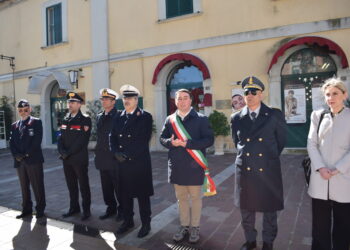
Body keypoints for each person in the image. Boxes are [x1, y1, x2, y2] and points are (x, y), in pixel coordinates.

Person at [231, 76, 287, 250]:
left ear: (261, 94)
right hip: (245, 168)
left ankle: (268, 241)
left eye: (254, 92)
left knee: (269, 209)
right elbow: (237, 142)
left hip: (267, 168)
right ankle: (250, 240)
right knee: (246, 209)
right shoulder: (236, 118)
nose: (249, 95)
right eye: (246, 92)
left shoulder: (274, 114)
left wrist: (267, 157)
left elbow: (281, 141)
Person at [160, 89, 214, 244]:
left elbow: (209, 140)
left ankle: (195, 227)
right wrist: (171, 142)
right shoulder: (170, 120)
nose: (182, 101)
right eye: (179, 99)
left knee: (196, 198)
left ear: (191, 101)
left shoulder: (201, 119)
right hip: (177, 166)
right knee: (181, 198)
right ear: (175, 101)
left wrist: (188, 144)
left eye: (185, 98)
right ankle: (184, 225)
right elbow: (162, 139)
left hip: (195, 165)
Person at [307, 78, 350, 250]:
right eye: (327, 94)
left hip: (344, 178)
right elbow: (311, 143)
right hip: (320, 178)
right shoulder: (318, 115)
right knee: (319, 226)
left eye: (335, 93)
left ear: (344, 95)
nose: (331, 98)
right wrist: (320, 167)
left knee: (343, 225)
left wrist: (338, 169)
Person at [109, 84, 154, 238]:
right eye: (124, 98)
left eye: (129, 98)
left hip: (138, 163)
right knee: (124, 194)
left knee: (142, 195)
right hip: (122, 162)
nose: (126, 100)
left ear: (136, 100)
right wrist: (115, 152)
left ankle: (146, 223)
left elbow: (143, 140)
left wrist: (126, 154)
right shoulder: (118, 116)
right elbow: (112, 137)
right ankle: (128, 221)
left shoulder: (145, 116)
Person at [57, 92, 92, 221]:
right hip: (66, 159)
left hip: (78, 158)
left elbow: (82, 140)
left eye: (72, 102)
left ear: (79, 104)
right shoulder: (65, 119)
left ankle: (86, 210)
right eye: (69, 102)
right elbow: (60, 137)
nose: (70, 104)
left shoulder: (85, 119)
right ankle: (74, 208)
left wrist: (68, 152)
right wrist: (61, 151)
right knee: (71, 185)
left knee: (83, 185)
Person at [9, 99, 46, 219]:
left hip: (33, 160)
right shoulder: (14, 125)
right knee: (24, 187)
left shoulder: (36, 122)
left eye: (25, 109)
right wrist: (16, 155)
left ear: (29, 109)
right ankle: (26, 209)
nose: (23, 112)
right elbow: (12, 142)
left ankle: (40, 210)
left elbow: (36, 141)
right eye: (20, 110)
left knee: (37, 186)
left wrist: (25, 154)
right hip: (20, 162)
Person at [95, 88, 123, 221]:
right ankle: (110, 208)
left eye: (106, 99)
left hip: (114, 159)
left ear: (113, 101)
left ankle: (123, 210)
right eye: (103, 99)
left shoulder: (119, 116)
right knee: (106, 187)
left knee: (119, 187)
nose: (104, 101)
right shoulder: (99, 116)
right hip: (102, 158)